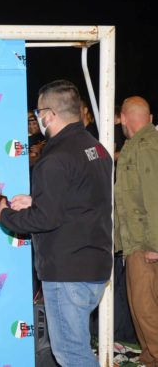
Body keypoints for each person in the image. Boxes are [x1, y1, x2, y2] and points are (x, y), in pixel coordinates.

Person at [0, 80, 112, 367]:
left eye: (38, 113)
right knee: (76, 348)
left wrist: (3, 214)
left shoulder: (55, 158)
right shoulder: (96, 148)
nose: (37, 119)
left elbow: (44, 219)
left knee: (70, 353)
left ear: (49, 115)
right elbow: (81, 199)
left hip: (68, 270)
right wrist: (36, 200)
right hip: (94, 263)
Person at [115, 95, 158, 366]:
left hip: (146, 244)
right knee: (140, 308)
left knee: (145, 309)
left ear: (122, 118)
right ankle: (150, 358)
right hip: (137, 243)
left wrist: (155, 245)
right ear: (149, 118)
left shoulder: (146, 147)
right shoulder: (136, 146)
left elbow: (154, 196)